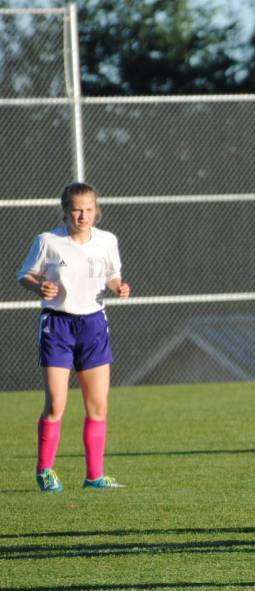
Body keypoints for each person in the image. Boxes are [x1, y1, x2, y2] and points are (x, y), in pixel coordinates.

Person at [16, 182, 130, 492]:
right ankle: (45, 470)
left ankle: (94, 476)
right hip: (58, 326)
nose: (83, 215)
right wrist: (37, 286)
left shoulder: (107, 241)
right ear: (66, 210)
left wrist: (118, 286)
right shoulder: (48, 241)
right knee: (56, 405)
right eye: (77, 209)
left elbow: (111, 274)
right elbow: (24, 274)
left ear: (97, 210)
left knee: (98, 406)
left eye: (89, 209)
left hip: (93, 326)